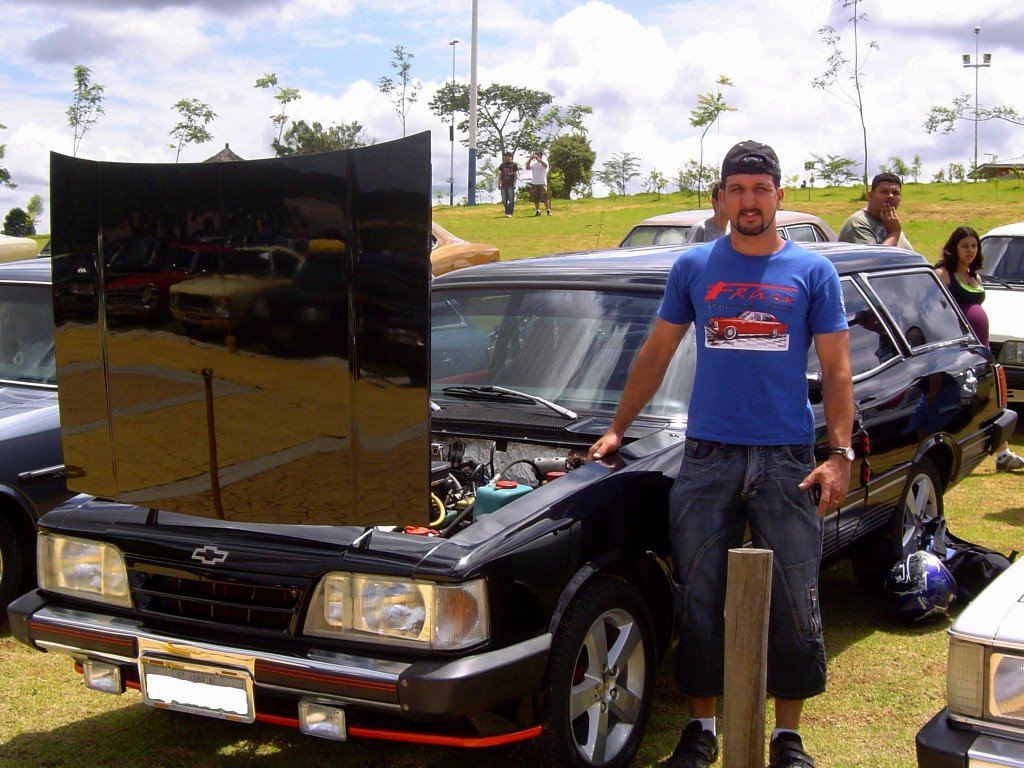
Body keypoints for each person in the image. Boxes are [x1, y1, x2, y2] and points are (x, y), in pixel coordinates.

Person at [588, 140, 853, 768]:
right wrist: (617, 429)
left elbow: (838, 371)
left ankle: (788, 736)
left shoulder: (813, 272)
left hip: (788, 458)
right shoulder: (695, 267)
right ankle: (701, 729)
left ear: (779, 196)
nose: (749, 200)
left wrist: (838, 452)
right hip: (706, 456)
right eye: (737, 188)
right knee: (699, 592)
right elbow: (655, 352)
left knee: (795, 593)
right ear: (721, 197)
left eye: (760, 189)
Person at [934, 225, 1024, 471]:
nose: (970, 251)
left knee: (992, 396)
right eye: (965, 246)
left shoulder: (975, 277)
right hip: (960, 350)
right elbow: (931, 308)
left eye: (974, 246)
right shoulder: (943, 274)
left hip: (983, 348)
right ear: (954, 248)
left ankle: (1003, 452)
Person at [838, 172, 913, 251]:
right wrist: (894, 234)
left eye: (895, 193)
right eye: (884, 191)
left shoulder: (891, 223)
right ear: (870, 195)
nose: (890, 196)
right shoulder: (858, 223)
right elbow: (873, 260)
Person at [525, 150, 551, 216]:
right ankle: (538, 211)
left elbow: (545, 165)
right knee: (535, 198)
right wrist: (530, 159)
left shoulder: (544, 162)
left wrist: (539, 159)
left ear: (540, 156)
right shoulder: (534, 164)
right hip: (534, 182)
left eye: (537, 155)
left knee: (545, 198)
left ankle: (548, 210)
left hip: (542, 183)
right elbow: (527, 167)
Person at [496, 151, 519, 218]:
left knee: (511, 199)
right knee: (504, 199)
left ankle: (510, 212)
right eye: (505, 156)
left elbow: (515, 175)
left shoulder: (514, 165)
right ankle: (507, 211)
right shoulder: (502, 165)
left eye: (506, 156)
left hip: (510, 184)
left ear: (510, 157)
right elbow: (500, 174)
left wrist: (514, 183)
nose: (505, 157)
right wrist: (499, 183)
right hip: (503, 184)